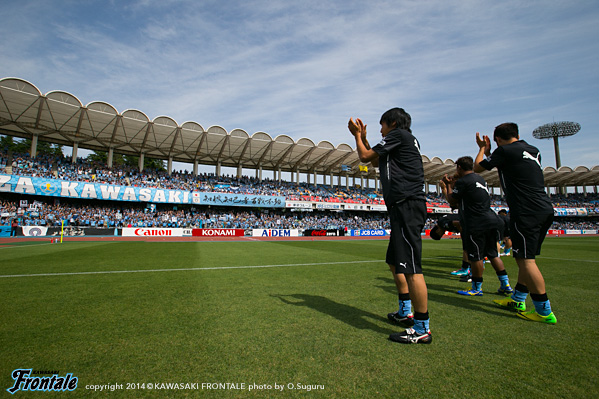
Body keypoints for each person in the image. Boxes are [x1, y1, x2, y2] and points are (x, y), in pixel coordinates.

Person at [348, 107, 431, 344]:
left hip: (407, 205)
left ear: (392, 123)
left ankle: (422, 327)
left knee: (412, 268)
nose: (380, 130)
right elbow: (374, 160)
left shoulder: (400, 136)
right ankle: (405, 312)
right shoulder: (399, 141)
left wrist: (356, 136)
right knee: (395, 262)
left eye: (381, 125)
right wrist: (363, 138)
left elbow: (364, 157)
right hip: (401, 207)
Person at [474, 123, 556, 324]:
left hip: (525, 211)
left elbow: (477, 168)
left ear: (497, 139)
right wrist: (494, 151)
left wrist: (482, 149)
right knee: (525, 258)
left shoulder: (504, 151)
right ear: (517, 135)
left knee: (526, 261)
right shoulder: (532, 150)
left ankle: (544, 311)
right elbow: (508, 160)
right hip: (544, 207)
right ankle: (518, 300)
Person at [439, 156, 513, 296]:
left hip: (476, 223)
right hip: (491, 219)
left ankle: (476, 288)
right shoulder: (480, 179)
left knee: (476, 257)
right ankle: (506, 285)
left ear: (459, 168)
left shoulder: (463, 181)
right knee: (493, 254)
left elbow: (451, 201)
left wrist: (447, 186)